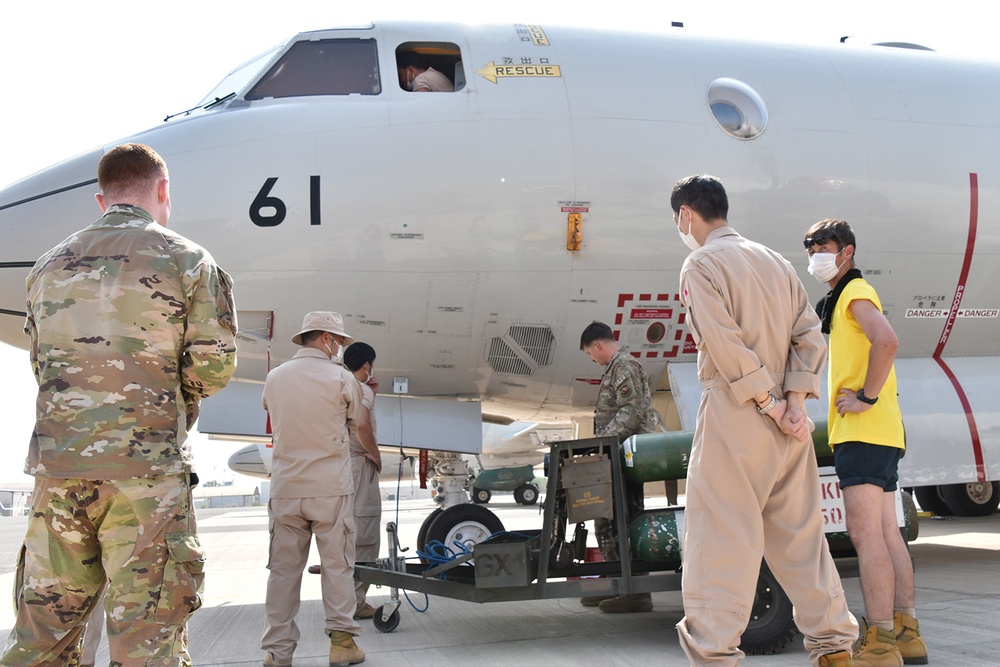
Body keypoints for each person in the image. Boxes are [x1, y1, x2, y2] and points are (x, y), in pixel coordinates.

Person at [2, 142, 238, 666]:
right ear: (163, 190)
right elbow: (213, 368)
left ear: (100, 198)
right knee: (146, 644)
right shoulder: (189, 260)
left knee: (42, 641)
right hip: (145, 481)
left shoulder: (47, 266)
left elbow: (44, 364)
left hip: (60, 474)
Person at [670, 175, 857, 667]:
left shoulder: (700, 263)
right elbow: (809, 335)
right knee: (800, 539)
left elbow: (723, 344)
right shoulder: (775, 261)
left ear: (686, 215)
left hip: (739, 413)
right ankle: (835, 646)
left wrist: (768, 403)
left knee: (720, 539)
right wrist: (794, 403)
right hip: (791, 428)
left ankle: (713, 654)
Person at [804, 219, 925, 666]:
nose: (815, 251)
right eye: (809, 245)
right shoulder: (841, 298)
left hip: (863, 431)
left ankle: (878, 642)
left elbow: (887, 341)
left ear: (847, 251)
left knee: (865, 535)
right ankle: (906, 632)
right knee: (888, 533)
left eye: (824, 245)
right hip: (884, 433)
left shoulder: (853, 294)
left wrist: (865, 398)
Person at [260, 311, 365, 667]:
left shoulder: (275, 377)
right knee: (337, 566)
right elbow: (355, 421)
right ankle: (341, 644)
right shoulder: (341, 377)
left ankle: (278, 652)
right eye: (338, 341)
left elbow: (273, 415)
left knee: (283, 571)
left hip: (286, 489)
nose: (339, 348)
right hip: (329, 488)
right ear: (326, 339)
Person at [579, 321, 664, 613]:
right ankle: (617, 580)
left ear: (598, 345)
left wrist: (602, 442)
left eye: (590, 353)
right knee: (606, 520)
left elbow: (632, 410)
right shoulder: (616, 368)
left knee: (623, 521)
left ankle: (635, 591)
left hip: (625, 456)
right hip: (616, 455)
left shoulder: (624, 366)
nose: (592, 359)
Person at [343, 342, 382, 620]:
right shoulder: (362, 389)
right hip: (359, 464)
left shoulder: (339, 385)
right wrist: (376, 455)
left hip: (340, 466)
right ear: (367, 366)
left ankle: (343, 600)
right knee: (365, 532)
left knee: (345, 533)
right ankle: (355, 602)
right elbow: (363, 425)